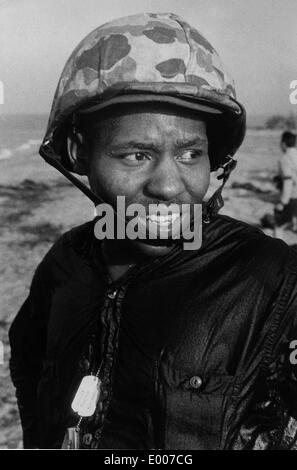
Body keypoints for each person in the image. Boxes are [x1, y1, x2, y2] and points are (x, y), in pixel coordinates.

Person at [9, 12, 297, 450]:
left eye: (189, 154)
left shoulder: (272, 279)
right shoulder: (64, 264)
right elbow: (30, 381)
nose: (167, 186)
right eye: (136, 155)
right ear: (79, 152)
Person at [274, 131, 297, 235]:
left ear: (283, 144)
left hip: (292, 196)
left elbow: (288, 181)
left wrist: (283, 202)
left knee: (278, 227)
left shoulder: (285, 159)